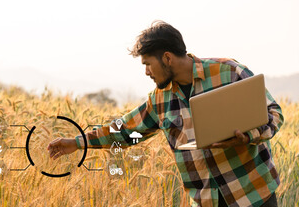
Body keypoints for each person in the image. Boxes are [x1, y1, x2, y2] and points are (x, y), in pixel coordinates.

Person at [47, 21, 284, 207]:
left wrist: (250, 135)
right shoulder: (159, 100)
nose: (147, 72)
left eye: (148, 64)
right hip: (206, 202)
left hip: (254, 197)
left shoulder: (229, 72)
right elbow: (123, 130)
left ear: (167, 58)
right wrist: (78, 143)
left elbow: (273, 113)